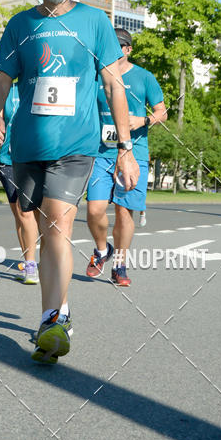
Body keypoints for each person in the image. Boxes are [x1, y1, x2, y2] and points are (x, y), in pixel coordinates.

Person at [0, 0, 139, 364]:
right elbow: (1, 78)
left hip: (76, 146)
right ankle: (58, 313)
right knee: (41, 226)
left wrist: (125, 148)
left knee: (58, 225)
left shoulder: (94, 21)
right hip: (27, 145)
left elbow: (113, 85)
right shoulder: (20, 24)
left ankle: (51, 320)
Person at [85, 28, 166, 286]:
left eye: (118, 45)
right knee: (94, 209)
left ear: (128, 49)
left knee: (124, 211)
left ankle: (119, 264)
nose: (113, 48)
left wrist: (143, 120)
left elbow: (162, 112)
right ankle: (102, 250)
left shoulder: (144, 77)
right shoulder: (96, 75)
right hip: (101, 152)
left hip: (134, 153)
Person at [0, 81, 40, 283]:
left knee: (30, 213)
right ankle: (29, 263)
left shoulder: (42, 86)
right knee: (20, 214)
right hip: (8, 159)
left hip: (36, 159)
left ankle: (39, 261)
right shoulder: (7, 90)